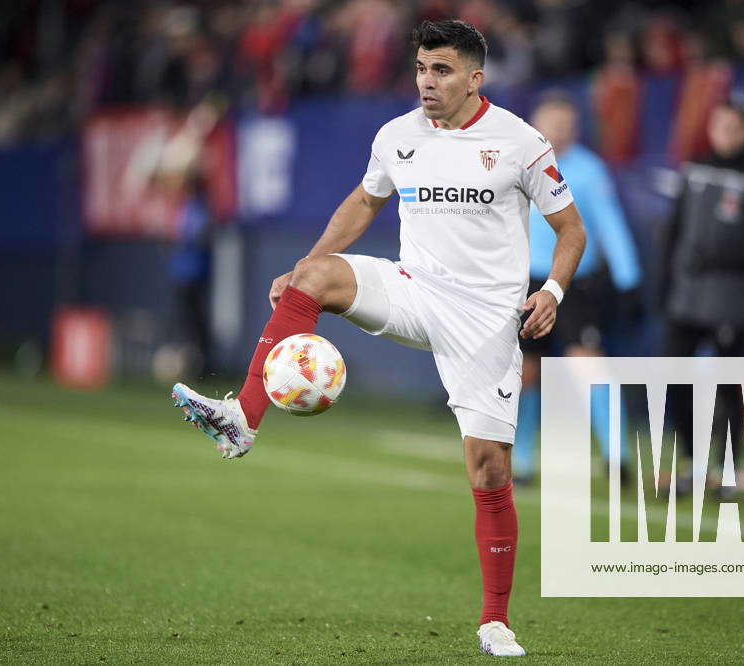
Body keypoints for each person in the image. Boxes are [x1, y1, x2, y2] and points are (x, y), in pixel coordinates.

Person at [169, 20, 585, 658]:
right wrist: (298, 267)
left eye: (442, 70)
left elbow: (571, 231)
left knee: (488, 468)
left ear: (476, 79)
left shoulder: (521, 143)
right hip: (413, 289)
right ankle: (243, 418)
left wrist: (550, 293)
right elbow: (364, 205)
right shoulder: (396, 136)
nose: (427, 81)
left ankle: (495, 619)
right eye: (421, 68)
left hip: (486, 319)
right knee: (313, 278)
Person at [514, 91, 642, 485]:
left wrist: (628, 278)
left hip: (572, 282)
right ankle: (521, 462)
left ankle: (616, 457)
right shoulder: (517, 164)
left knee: (588, 363)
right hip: (523, 280)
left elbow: (609, 224)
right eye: (553, 124)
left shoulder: (589, 171)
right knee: (525, 373)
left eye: (568, 125)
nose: (560, 132)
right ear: (536, 126)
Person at [657, 100, 744, 490]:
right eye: (719, 126)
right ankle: (693, 465)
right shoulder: (694, 170)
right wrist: (665, 284)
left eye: (733, 127)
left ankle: (729, 469)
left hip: (732, 300)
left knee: (728, 387)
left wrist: (714, 257)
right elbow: (673, 231)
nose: (725, 135)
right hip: (686, 298)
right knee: (676, 380)